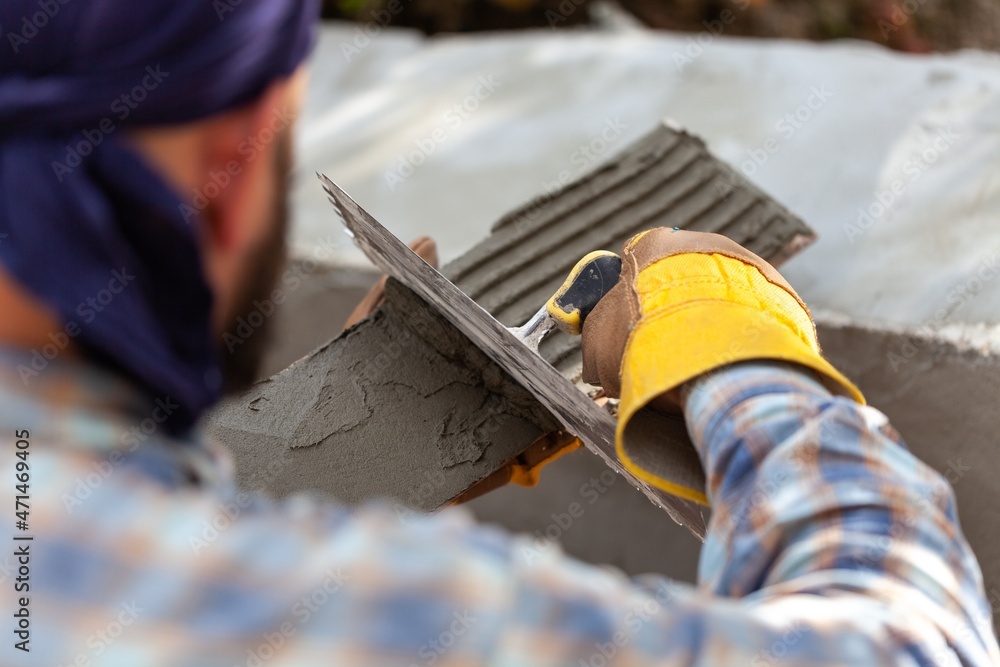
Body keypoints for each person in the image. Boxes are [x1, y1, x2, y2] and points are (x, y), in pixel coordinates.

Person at [0, 2, 996, 665]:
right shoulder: (405, 617)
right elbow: (908, 638)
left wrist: (322, 445)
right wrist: (724, 342)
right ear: (225, 180)